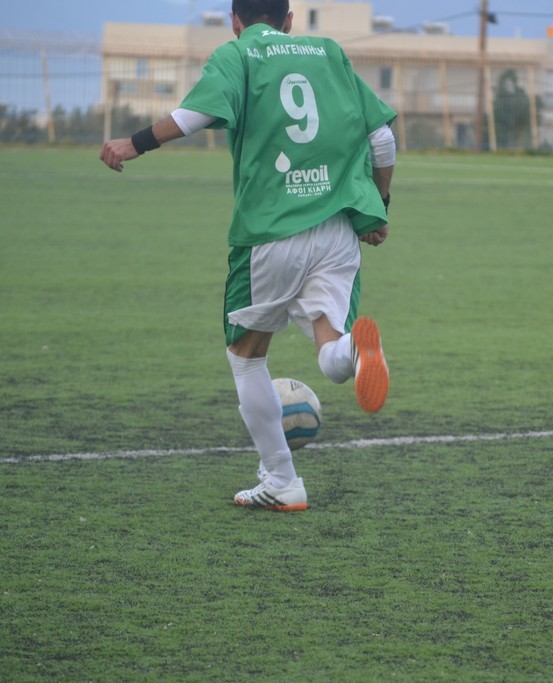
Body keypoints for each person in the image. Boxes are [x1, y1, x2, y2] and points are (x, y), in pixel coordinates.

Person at [99, 0, 397, 512]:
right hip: (337, 228)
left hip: (271, 230)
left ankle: (282, 480)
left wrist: (135, 142)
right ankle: (357, 351)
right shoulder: (329, 52)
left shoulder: (238, 54)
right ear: (289, 20)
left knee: (246, 356)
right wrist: (380, 206)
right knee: (329, 343)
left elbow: (194, 115)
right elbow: (383, 139)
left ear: (235, 22)